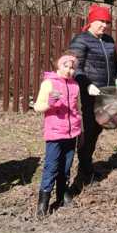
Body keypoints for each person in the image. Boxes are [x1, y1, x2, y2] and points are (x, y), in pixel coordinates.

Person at [69, 5, 117, 186]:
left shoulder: (109, 41)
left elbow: (116, 63)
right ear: (91, 21)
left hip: (107, 93)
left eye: (107, 22)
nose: (104, 25)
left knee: (99, 128)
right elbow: (75, 67)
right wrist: (87, 85)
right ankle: (83, 171)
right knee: (89, 129)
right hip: (90, 93)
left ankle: (86, 165)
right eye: (101, 21)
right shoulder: (81, 40)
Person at [33, 53, 81, 216]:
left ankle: (62, 195)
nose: (68, 70)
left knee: (66, 167)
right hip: (55, 133)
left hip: (72, 132)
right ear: (58, 67)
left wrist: (81, 127)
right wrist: (50, 104)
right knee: (51, 167)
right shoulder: (49, 83)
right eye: (65, 66)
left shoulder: (75, 85)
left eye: (72, 68)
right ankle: (43, 203)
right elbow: (38, 107)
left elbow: (77, 109)